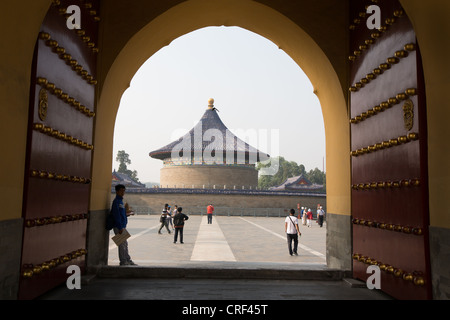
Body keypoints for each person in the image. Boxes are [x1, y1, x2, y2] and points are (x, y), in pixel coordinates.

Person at [111, 184, 137, 266]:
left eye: (124, 190)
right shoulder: (116, 202)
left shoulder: (121, 202)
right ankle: (123, 261)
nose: (123, 192)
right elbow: (116, 215)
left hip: (122, 226)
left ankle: (127, 259)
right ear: (117, 191)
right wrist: (120, 227)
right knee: (122, 244)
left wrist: (128, 213)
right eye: (122, 191)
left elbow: (122, 214)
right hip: (119, 226)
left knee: (125, 243)